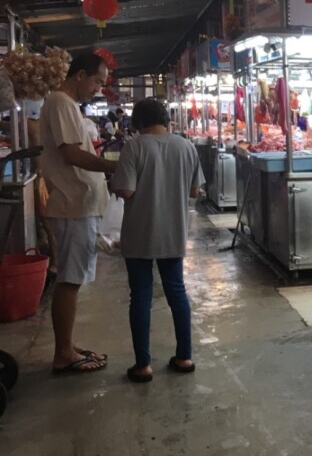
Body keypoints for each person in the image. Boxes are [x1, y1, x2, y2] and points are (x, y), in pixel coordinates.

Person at [111, 98, 204, 383]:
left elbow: (125, 191)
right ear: (165, 119)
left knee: (140, 295)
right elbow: (194, 192)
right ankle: (185, 357)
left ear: (138, 123)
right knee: (177, 291)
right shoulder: (186, 146)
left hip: (140, 233)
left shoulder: (134, 146)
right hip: (173, 231)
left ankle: (143, 366)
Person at [40, 53, 117, 373]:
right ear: (80, 75)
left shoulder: (66, 105)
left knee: (73, 279)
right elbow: (71, 154)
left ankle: (67, 345)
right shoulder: (60, 102)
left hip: (80, 204)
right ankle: (62, 354)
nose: (98, 89)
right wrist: (113, 166)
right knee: (70, 281)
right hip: (74, 206)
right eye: (97, 81)